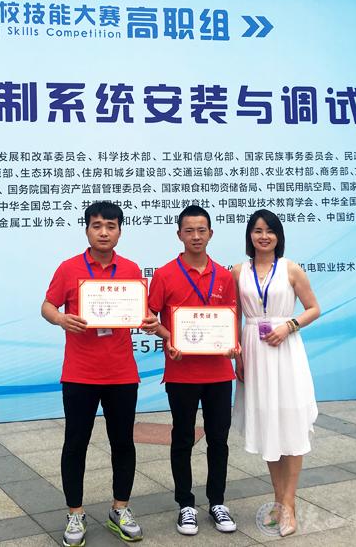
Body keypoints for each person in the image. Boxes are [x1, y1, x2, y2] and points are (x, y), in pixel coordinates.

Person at [42, 201, 157, 546]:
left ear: (120, 231)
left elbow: (142, 312)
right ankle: (75, 513)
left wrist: (148, 320)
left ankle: (119, 509)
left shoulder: (131, 269)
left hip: (121, 373)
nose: (104, 232)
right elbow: (47, 306)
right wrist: (61, 318)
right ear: (87, 230)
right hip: (80, 373)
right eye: (97, 226)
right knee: (75, 443)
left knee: (122, 443)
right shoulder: (69, 268)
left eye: (110, 226)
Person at [147, 205, 241, 536]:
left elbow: (231, 319)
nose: (196, 236)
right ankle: (185, 504)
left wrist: (233, 345)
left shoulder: (224, 276)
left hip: (219, 373)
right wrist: (168, 337)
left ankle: (217, 501)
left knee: (219, 439)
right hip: (181, 373)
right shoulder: (164, 274)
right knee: (183, 438)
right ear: (179, 235)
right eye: (189, 231)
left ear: (211, 233)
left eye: (202, 230)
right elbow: (149, 317)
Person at [232, 209, 320, 537]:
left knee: (291, 424)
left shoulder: (290, 269)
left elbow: (313, 308)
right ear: (249, 236)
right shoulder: (238, 271)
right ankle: (277, 500)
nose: (264, 236)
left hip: (286, 351)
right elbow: (235, 316)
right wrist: (238, 356)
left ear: (279, 236)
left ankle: (289, 504)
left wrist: (289, 326)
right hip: (254, 352)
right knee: (269, 424)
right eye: (257, 230)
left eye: (270, 231)